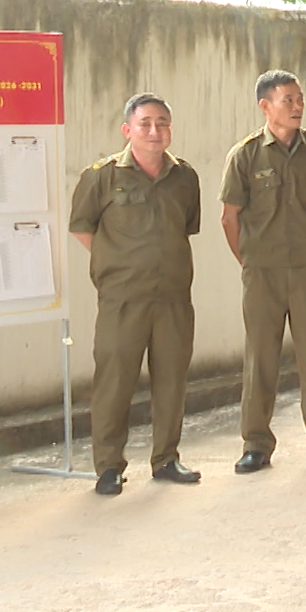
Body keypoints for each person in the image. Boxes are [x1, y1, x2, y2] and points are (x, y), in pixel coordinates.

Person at [219, 70, 306, 474]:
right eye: (288, 100)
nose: (297, 107)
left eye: (300, 99)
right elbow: (229, 218)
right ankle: (256, 445)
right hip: (262, 273)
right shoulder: (245, 155)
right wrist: (250, 261)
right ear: (265, 106)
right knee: (261, 358)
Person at [68, 93, 203, 497]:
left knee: (171, 380)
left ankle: (166, 458)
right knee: (114, 382)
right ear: (128, 130)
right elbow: (82, 227)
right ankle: (109, 466)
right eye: (145, 123)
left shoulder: (185, 177)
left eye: (162, 123)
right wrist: (117, 260)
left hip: (173, 298)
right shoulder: (101, 176)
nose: (154, 131)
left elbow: (186, 227)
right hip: (122, 299)